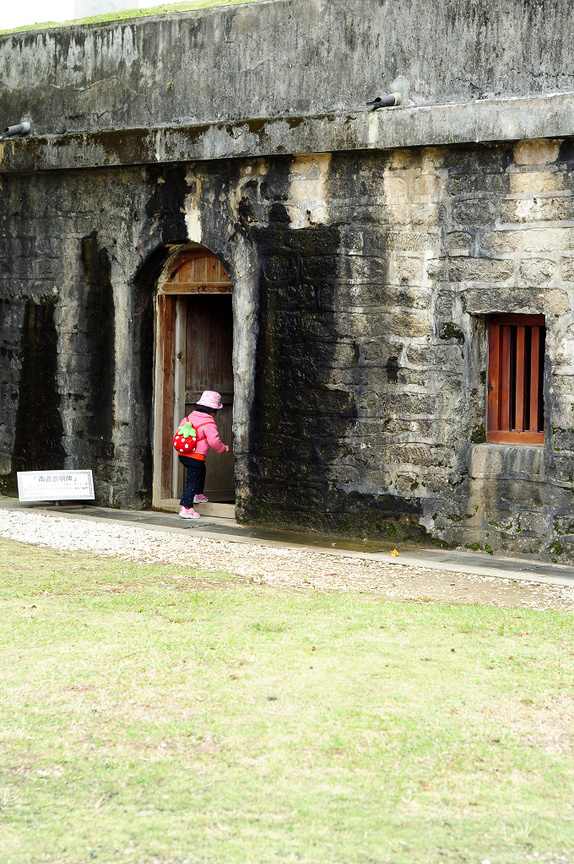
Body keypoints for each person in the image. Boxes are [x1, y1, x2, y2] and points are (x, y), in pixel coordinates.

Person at [177, 390, 230, 519]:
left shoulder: (188, 418)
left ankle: (198, 495)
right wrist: (223, 449)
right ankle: (186, 508)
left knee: (201, 470)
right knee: (192, 481)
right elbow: (214, 441)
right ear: (213, 411)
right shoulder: (209, 423)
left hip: (183, 454)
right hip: (195, 457)